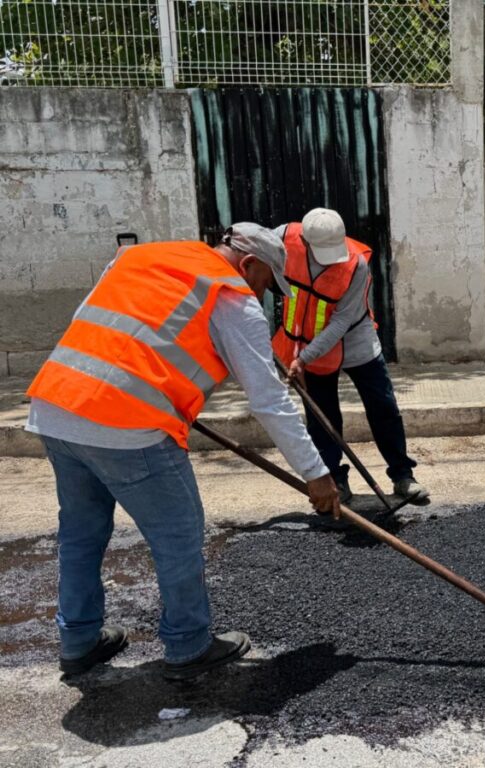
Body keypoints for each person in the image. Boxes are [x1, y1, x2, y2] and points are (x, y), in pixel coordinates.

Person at [25, 224, 341, 680]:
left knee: (81, 534)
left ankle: (78, 641)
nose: (265, 296)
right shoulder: (231, 295)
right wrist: (317, 474)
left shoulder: (140, 259)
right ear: (249, 264)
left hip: (56, 407)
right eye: (268, 284)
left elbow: (103, 327)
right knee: (177, 535)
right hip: (127, 426)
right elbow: (269, 401)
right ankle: (188, 644)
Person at [271, 208, 429, 505]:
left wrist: (304, 357)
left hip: (355, 342)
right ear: (304, 242)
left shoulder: (355, 264)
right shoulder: (281, 238)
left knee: (383, 407)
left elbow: (341, 322)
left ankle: (403, 476)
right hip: (309, 348)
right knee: (323, 417)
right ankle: (335, 481)